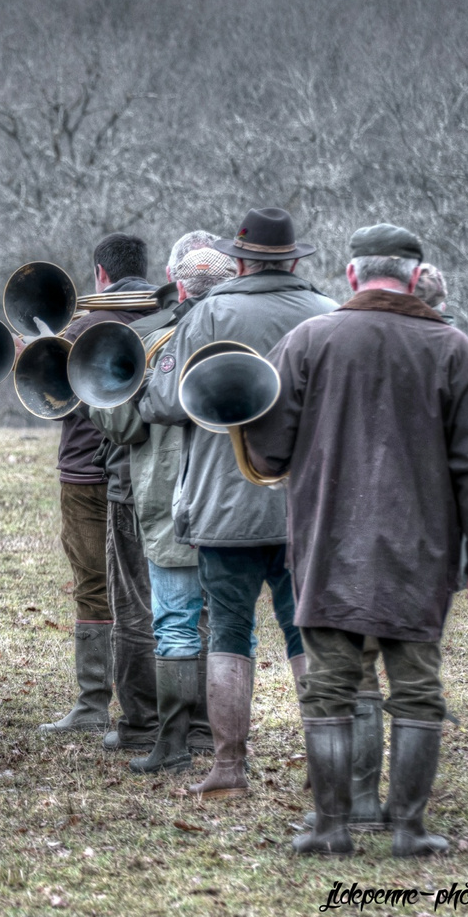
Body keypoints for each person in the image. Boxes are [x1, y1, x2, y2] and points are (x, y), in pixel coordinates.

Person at [245, 224, 468, 857]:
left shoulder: (307, 341)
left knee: (330, 686)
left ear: (351, 275)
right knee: (417, 687)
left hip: (328, 544)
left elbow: (271, 450)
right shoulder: (455, 349)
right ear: (418, 279)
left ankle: (330, 828)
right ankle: (410, 830)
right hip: (422, 552)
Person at [139, 206, 337, 799]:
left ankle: (228, 769)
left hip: (226, 507)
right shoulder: (330, 314)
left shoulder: (210, 313)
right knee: (308, 634)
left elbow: (165, 404)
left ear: (241, 259)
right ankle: (324, 770)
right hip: (309, 506)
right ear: (295, 259)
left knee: (229, 630)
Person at [86, 234, 235, 773]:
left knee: (152, 614)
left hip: (158, 495)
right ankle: (208, 732)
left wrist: (94, 393)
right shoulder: (250, 333)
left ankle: (151, 730)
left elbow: (123, 424)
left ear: (175, 283)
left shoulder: (148, 335)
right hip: (233, 498)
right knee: (222, 619)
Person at [37, 233, 160, 752]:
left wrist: (39, 355)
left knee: (94, 583)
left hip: (86, 474)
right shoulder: (167, 318)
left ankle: (92, 704)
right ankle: (154, 706)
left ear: (100, 274)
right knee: (148, 588)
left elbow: (52, 401)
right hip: (143, 471)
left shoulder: (80, 328)